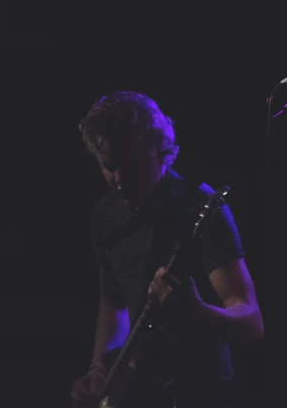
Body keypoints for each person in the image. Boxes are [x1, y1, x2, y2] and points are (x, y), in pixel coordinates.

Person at [71, 91, 263, 408]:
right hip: (140, 393)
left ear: (160, 150)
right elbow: (114, 302)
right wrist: (99, 368)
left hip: (205, 391)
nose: (117, 179)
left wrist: (197, 312)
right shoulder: (105, 215)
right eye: (108, 166)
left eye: (129, 163)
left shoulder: (202, 206)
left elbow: (251, 324)